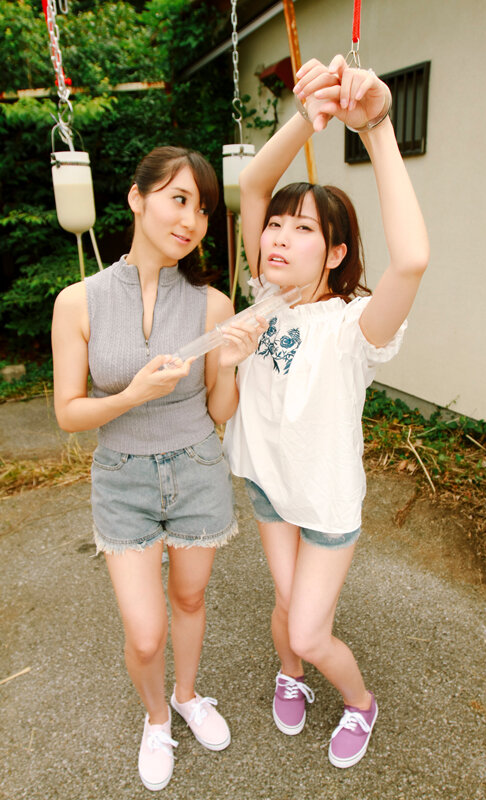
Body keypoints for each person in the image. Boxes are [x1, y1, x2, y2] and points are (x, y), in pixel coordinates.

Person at [224, 56, 430, 769]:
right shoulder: (264, 294)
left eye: (303, 229)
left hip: (325, 502)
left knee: (310, 631)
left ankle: (359, 702)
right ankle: (291, 674)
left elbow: (411, 260)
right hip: (268, 485)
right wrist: (307, 119)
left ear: (337, 252)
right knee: (288, 609)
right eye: (276, 225)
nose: (279, 236)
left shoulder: (354, 325)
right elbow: (253, 184)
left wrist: (376, 127)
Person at [52, 146, 265, 791]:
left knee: (190, 598)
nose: (191, 221)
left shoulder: (213, 304)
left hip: (198, 467)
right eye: (178, 200)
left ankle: (187, 695)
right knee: (145, 636)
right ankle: (156, 720)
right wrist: (131, 396)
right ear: (136, 198)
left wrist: (229, 368)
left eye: (202, 209)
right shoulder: (78, 302)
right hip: (123, 479)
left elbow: (219, 410)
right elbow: (68, 413)